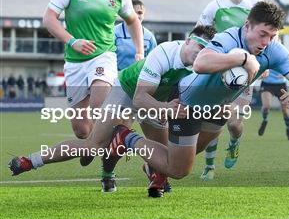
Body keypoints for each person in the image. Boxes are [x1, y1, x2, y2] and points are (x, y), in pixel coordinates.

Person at [106, 1, 289, 185]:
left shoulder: (273, 49)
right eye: (262, 34)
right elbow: (200, 63)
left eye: (272, 36)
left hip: (217, 107)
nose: (266, 43)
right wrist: (243, 59)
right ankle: (126, 137)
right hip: (188, 101)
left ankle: (156, 166)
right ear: (247, 26)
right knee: (179, 170)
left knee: (192, 150)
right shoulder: (228, 39)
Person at [8, 26, 215, 197]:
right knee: (93, 146)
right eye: (199, 46)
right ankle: (31, 161)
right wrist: (166, 109)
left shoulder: (201, 67)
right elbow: (140, 99)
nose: (200, 53)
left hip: (157, 100)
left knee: (164, 155)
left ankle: (152, 172)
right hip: (127, 90)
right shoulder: (165, 53)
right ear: (188, 41)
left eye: (205, 51)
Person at [42, 0, 144, 140]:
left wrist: (139, 51)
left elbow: (133, 21)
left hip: (104, 56)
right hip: (74, 61)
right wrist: (72, 41)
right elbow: (48, 19)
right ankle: (91, 144)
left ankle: (114, 146)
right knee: (81, 130)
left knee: (99, 105)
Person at [197, 0, 260, 180]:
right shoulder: (214, 7)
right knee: (213, 120)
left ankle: (234, 143)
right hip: (219, 71)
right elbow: (200, 34)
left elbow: (271, 37)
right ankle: (209, 166)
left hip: (247, 73)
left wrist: (266, 65)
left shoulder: (256, 7)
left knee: (233, 123)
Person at [115, 0, 157, 70]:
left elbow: (154, 62)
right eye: (133, 13)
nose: (136, 16)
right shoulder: (114, 33)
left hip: (139, 78)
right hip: (116, 76)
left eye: (140, 13)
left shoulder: (149, 37)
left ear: (144, 15)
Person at [258, 69, 289, 140]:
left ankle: (288, 127)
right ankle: (265, 120)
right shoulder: (264, 57)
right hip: (267, 83)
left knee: (285, 110)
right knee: (266, 106)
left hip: (281, 84)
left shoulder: (284, 58)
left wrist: (286, 74)